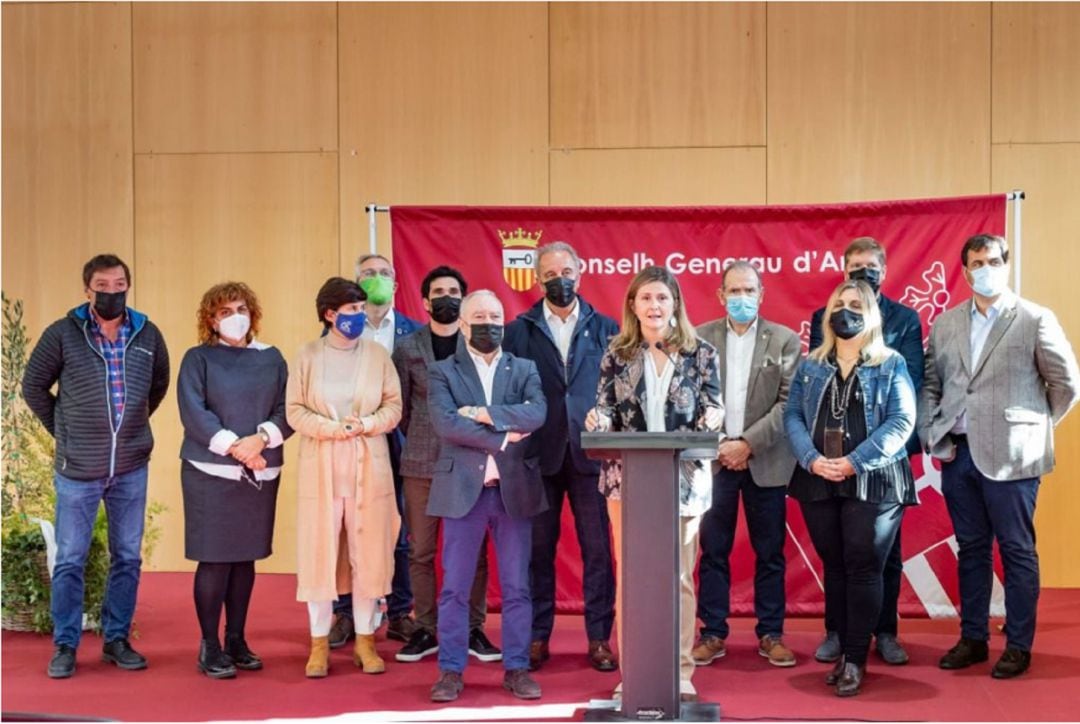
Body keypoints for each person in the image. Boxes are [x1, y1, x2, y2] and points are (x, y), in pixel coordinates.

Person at [920, 234, 1080, 679]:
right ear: (966, 270)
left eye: (993, 260)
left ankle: (1018, 645)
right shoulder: (947, 323)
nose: (985, 267)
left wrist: (1031, 429)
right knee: (971, 549)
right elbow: (933, 383)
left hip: (1014, 460)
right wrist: (934, 431)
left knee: (1016, 549)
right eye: (976, 261)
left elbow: (1067, 384)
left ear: (1006, 265)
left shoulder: (1034, 318)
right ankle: (973, 638)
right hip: (960, 454)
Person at [23, 254, 170, 679]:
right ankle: (65, 645)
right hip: (77, 471)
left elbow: (157, 385)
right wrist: (65, 432)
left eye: (119, 284)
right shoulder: (63, 334)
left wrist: (132, 429)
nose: (111, 292)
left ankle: (116, 639)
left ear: (128, 285)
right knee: (70, 558)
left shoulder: (147, 333)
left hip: (130, 467)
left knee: (127, 556)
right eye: (102, 286)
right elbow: (33, 386)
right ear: (87, 290)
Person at [585, 265, 723, 702]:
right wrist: (598, 420)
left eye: (662, 297)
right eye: (645, 298)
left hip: (684, 483)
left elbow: (712, 408)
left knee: (679, 577)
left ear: (675, 304)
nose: (654, 306)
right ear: (632, 305)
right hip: (628, 483)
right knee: (633, 578)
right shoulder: (616, 353)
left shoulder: (701, 353)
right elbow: (605, 408)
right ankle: (638, 670)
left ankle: (680, 670)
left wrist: (715, 418)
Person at [784, 279, 917, 697]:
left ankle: (856, 659)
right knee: (836, 565)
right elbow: (792, 417)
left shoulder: (891, 363)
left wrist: (854, 462)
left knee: (863, 566)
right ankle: (841, 648)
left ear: (872, 312)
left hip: (874, 479)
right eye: (838, 304)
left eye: (855, 303)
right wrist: (811, 459)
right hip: (818, 476)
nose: (845, 310)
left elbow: (901, 422)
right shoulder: (811, 365)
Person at [503, 242, 620, 673]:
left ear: (581, 272)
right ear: (538, 279)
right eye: (550, 273)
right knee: (537, 552)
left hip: (591, 455)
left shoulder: (607, 327)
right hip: (537, 455)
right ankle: (536, 636)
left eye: (566, 270)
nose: (560, 279)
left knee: (598, 552)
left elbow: (617, 390)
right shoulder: (519, 330)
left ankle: (598, 639)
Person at [426, 290, 548, 703]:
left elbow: (537, 413)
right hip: (463, 492)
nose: (489, 323)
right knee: (455, 589)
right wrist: (503, 436)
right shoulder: (443, 371)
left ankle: (516, 668)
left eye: (495, 316)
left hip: (514, 492)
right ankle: (450, 671)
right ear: (463, 324)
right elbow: (446, 425)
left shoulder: (525, 367)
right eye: (479, 316)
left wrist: (482, 413)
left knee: (517, 587)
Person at [807, 237, 923, 666]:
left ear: (884, 271)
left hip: (884, 456)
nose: (862, 273)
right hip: (828, 460)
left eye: (870, 266)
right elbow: (814, 392)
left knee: (882, 554)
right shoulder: (824, 318)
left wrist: (870, 452)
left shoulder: (904, 320)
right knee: (838, 554)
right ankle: (837, 631)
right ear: (843, 270)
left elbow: (910, 383)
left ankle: (885, 632)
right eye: (854, 266)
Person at [286, 277, 403, 677]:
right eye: (351, 310)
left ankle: (367, 642)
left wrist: (367, 423)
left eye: (361, 309)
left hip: (368, 468)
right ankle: (319, 644)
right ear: (330, 314)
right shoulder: (306, 356)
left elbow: (393, 408)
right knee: (319, 556)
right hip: (322, 467)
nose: (358, 316)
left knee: (367, 554)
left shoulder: (376, 356)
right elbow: (295, 411)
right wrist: (335, 429)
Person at [176, 282, 292, 678]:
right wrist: (237, 448)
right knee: (215, 560)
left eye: (240, 307)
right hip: (210, 473)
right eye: (224, 311)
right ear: (211, 319)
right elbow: (195, 413)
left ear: (253, 311)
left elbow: (286, 409)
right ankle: (209, 644)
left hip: (260, 470)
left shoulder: (272, 358)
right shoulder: (198, 359)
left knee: (245, 559)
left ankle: (236, 639)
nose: (234, 316)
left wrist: (260, 439)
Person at [693, 261, 802, 668]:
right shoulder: (699, 339)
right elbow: (692, 399)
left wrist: (748, 444)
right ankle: (713, 633)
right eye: (734, 291)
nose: (742, 298)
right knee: (713, 551)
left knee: (770, 552)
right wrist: (722, 444)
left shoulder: (785, 340)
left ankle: (771, 633)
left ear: (762, 294)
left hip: (767, 460)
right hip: (715, 460)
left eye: (749, 291)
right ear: (721, 295)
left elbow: (789, 402)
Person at [392, 266, 501, 663]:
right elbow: (401, 408)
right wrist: (426, 432)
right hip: (420, 462)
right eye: (438, 291)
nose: (447, 297)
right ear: (425, 302)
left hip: (466, 461)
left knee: (474, 550)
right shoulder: (406, 349)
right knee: (420, 550)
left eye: (454, 291)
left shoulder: (477, 345)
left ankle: (474, 628)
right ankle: (425, 627)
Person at [329, 254, 421, 649]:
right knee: (348, 528)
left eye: (385, 274)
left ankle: (400, 612)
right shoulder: (341, 332)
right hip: (354, 441)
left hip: (405, 442)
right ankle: (346, 613)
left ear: (397, 287)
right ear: (356, 283)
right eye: (368, 274)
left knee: (402, 531)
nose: (377, 280)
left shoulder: (416, 333)